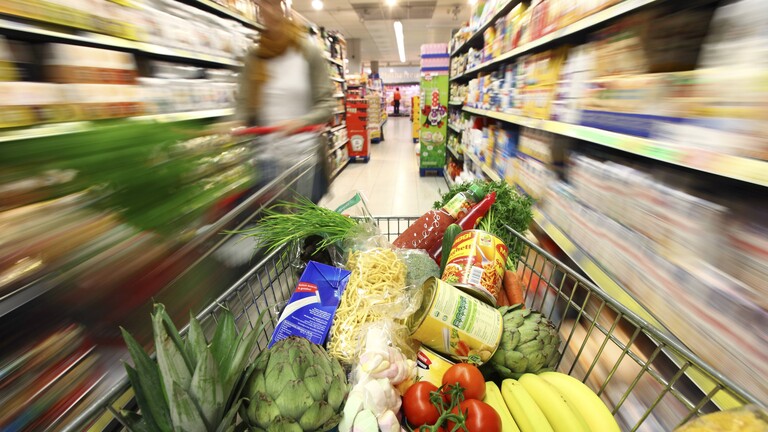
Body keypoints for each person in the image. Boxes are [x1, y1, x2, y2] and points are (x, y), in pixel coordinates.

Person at [236, 0, 335, 203]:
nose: (268, 11)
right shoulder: (254, 58)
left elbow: (326, 104)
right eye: (262, 5)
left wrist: (300, 122)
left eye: (273, 4)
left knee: (305, 224)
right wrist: (232, 123)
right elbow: (244, 106)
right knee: (273, 227)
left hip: (304, 157)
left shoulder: (308, 53)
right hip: (267, 160)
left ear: (284, 8)